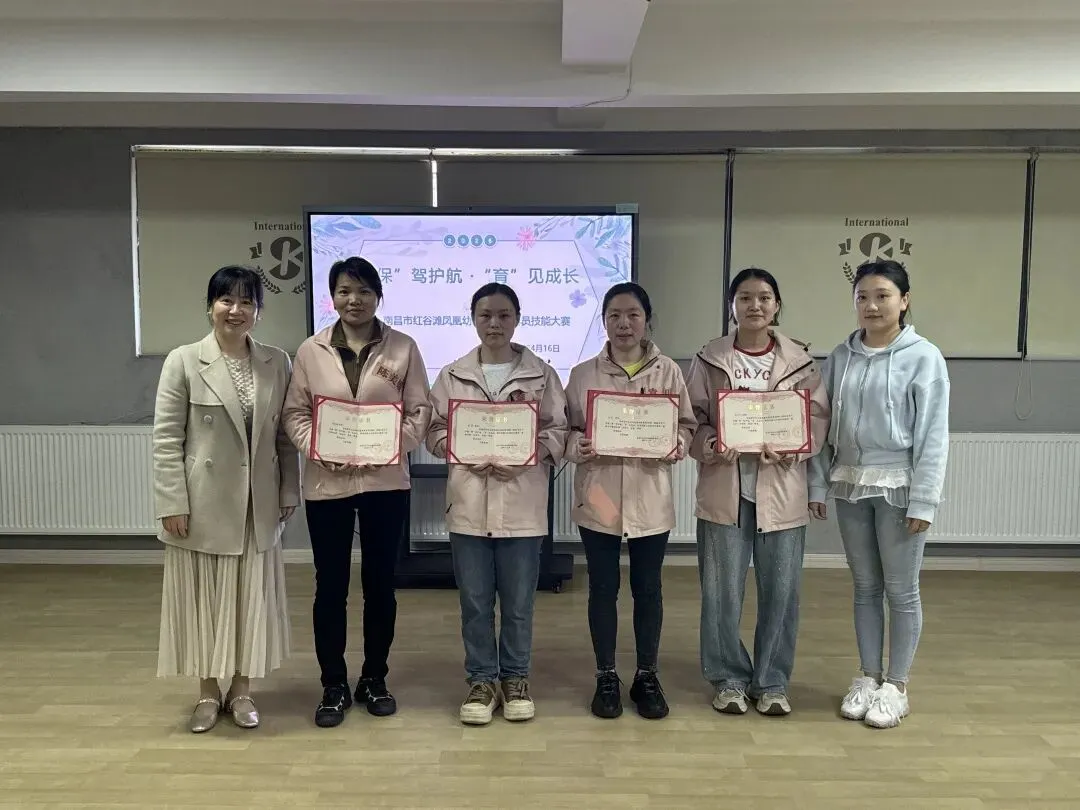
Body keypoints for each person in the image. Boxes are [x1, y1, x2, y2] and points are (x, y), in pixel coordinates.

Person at [282, 256, 432, 728]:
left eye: (364, 291)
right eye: (345, 291)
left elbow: (420, 412)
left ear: (378, 296)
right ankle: (333, 683)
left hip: (385, 483)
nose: (355, 300)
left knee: (380, 585)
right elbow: (294, 414)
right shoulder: (310, 351)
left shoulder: (403, 347)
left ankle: (374, 678)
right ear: (332, 297)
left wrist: (389, 447)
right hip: (326, 484)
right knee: (330, 586)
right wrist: (316, 447)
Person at [152, 265, 301, 733]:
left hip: (258, 504)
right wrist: (172, 502)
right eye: (226, 300)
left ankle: (241, 690)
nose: (236, 310)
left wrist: (289, 490)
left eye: (246, 302)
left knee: (247, 600)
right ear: (210, 306)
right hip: (204, 504)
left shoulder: (278, 361)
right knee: (205, 601)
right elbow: (166, 440)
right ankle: (206, 692)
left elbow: (283, 437)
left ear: (259, 311)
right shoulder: (183, 360)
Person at [808, 259, 949, 729]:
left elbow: (933, 437)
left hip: (899, 486)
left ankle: (897, 686)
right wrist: (818, 484)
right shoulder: (840, 356)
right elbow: (821, 428)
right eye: (862, 297)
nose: (872, 306)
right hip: (850, 482)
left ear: (904, 301)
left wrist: (924, 500)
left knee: (901, 590)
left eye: (883, 296)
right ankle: (869, 677)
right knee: (865, 587)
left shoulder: (924, 357)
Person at [686, 268, 830, 717]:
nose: (755, 306)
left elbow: (818, 419)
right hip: (724, 490)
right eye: (745, 297)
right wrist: (710, 444)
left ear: (777, 305)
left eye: (764, 297)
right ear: (732, 306)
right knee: (721, 593)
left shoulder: (801, 361)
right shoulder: (709, 358)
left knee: (782, 593)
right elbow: (691, 419)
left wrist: (793, 447)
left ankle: (772, 681)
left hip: (781, 490)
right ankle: (728, 678)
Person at [426, 283, 569, 726]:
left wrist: (532, 453)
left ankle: (515, 678)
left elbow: (559, 430)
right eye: (485, 315)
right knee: (475, 602)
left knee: (519, 603)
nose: (495, 323)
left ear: (517, 319)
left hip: (522, 506)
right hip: (468, 505)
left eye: (504, 315)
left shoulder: (541, 374)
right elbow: (433, 430)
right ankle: (482, 680)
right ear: (473, 319)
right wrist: (458, 448)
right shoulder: (452, 375)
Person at [564, 282, 696, 720]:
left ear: (647, 321)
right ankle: (606, 675)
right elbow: (566, 430)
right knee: (603, 588)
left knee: (648, 588)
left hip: (649, 496)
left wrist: (677, 443)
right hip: (600, 494)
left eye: (633, 315)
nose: (624, 324)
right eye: (614, 316)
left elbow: (685, 424)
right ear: (604, 322)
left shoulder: (668, 371)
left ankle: (646, 675)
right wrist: (576, 446)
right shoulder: (582, 374)